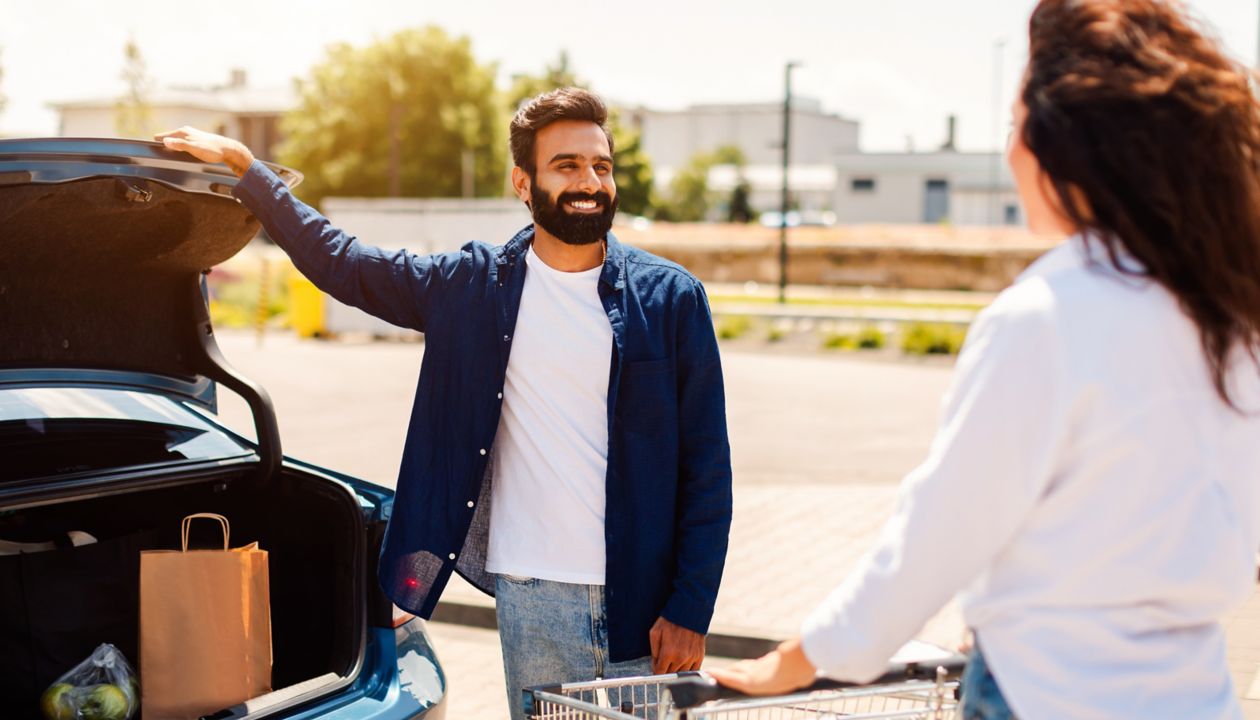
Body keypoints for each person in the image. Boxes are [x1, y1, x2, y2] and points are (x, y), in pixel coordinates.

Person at [710, 1, 1260, 717]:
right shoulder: (1231, 315)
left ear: (1071, 143)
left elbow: (940, 534)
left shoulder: (1049, 314)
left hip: (1043, 692)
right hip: (1195, 693)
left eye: (1015, 125)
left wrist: (801, 658)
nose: (1009, 152)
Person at [157, 87, 732, 719]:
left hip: (647, 598)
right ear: (524, 181)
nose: (589, 181)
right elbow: (344, 264)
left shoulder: (673, 299)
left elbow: (707, 468)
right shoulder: (470, 285)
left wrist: (690, 606)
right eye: (566, 165)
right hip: (533, 594)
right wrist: (248, 171)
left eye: (601, 165)